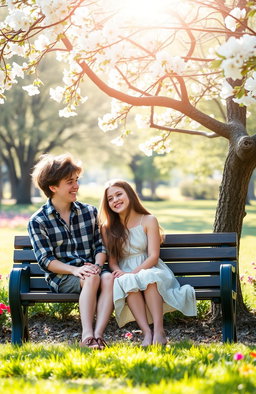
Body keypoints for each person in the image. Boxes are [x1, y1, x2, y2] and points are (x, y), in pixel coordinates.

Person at [28, 153, 114, 349]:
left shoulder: (89, 212)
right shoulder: (38, 221)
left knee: (108, 278)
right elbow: (45, 260)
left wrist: (98, 266)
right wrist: (75, 270)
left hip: (93, 271)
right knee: (91, 278)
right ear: (53, 187)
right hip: (62, 276)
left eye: (76, 180)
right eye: (70, 182)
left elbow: (100, 246)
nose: (76, 186)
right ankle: (87, 336)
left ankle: (99, 336)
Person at [99, 179, 197, 347]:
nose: (115, 200)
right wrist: (119, 272)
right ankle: (146, 332)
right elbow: (113, 261)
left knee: (149, 278)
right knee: (127, 281)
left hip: (150, 267)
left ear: (129, 195)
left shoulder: (148, 220)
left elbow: (153, 256)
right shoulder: (108, 228)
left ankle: (159, 331)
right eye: (110, 198)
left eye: (119, 194)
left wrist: (134, 272)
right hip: (125, 272)